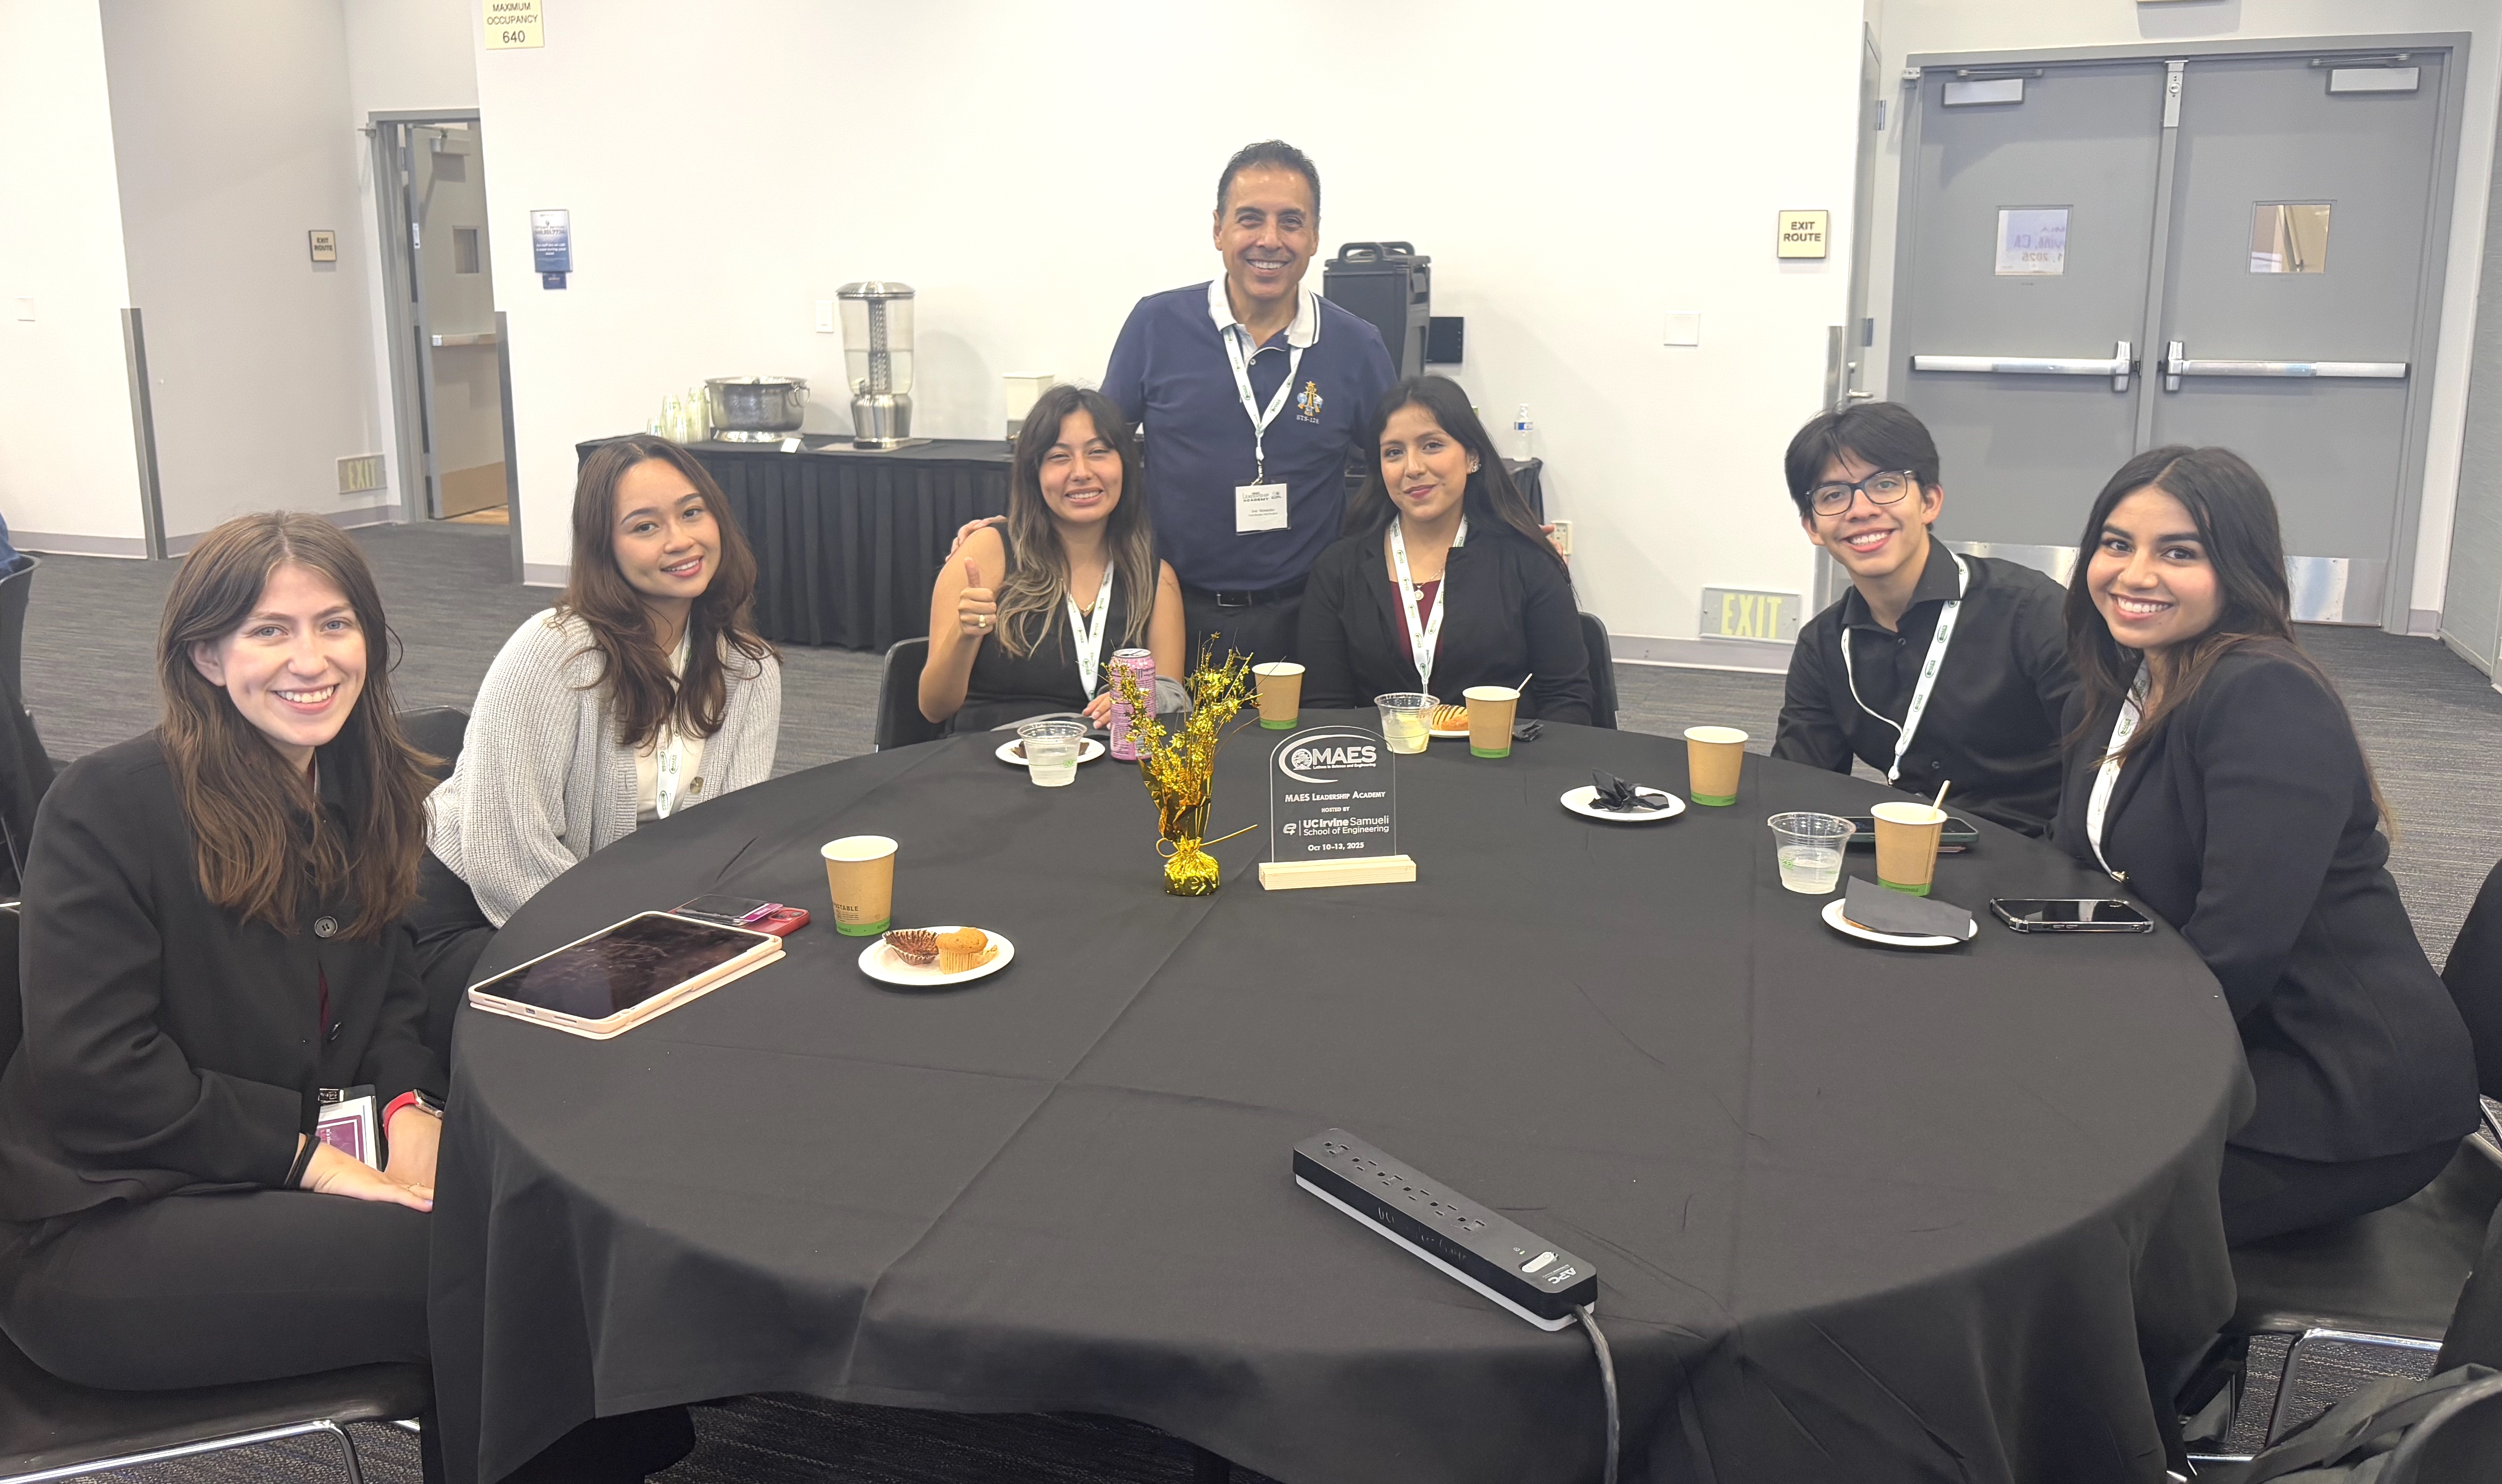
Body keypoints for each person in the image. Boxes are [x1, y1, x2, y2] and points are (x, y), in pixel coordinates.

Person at [0, 513, 448, 1447]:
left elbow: (391, 986)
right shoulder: (108, 808)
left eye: (335, 623)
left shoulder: (363, 787)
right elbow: (98, 1073)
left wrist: (408, 1110)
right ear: (206, 655)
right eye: (268, 631)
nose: (311, 659)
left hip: (273, 1180)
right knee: (485, 1265)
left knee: (513, 1215)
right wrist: (314, 1161)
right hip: (106, 1220)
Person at [2054, 446, 2476, 1245]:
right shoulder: (2131, 682)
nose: (2134, 573)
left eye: (2178, 552)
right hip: (2233, 1041)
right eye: (2116, 544)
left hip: (2339, 1089)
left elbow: (2234, 952)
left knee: (2053, 1197)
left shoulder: (2262, 693)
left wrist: (2094, 1062)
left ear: (2236, 568)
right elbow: (2086, 868)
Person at [419, 436, 781, 1042]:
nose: (681, 540)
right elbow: (504, 852)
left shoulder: (747, 668)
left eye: (693, 512)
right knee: (629, 1023)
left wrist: (687, 934)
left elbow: (727, 835)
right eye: (645, 526)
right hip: (476, 906)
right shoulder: (554, 652)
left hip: (611, 903)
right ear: (604, 547)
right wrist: (632, 945)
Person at [1770, 402, 2076, 837]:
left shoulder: (2030, 612)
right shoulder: (1824, 645)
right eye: (1833, 495)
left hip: (2037, 850)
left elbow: (2106, 767)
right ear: (1813, 527)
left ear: (1929, 502)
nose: (1860, 509)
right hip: (1911, 848)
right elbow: (1799, 791)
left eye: (1885, 484)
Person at [1298, 376, 1592, 723]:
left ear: (1472, 457)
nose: (1413, 468)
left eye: (1432, 445)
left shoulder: (1527, 560)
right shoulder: (1339, 568)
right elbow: (1325, 708)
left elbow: (1568, 700)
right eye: (1394, 452)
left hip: (1502, 764)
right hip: (1380, 766)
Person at [919, 384, 1183, 733]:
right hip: (989, 764)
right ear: (1035, 473)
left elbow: (1170, 709)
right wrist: (964, 635)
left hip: (1103, 771)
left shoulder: (1154, 580)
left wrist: (1144, 701)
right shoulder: (987, 553)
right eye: (1059, 457)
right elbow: (934, 708)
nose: (1081, 472)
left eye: (1099, 452)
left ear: (1126, 465)